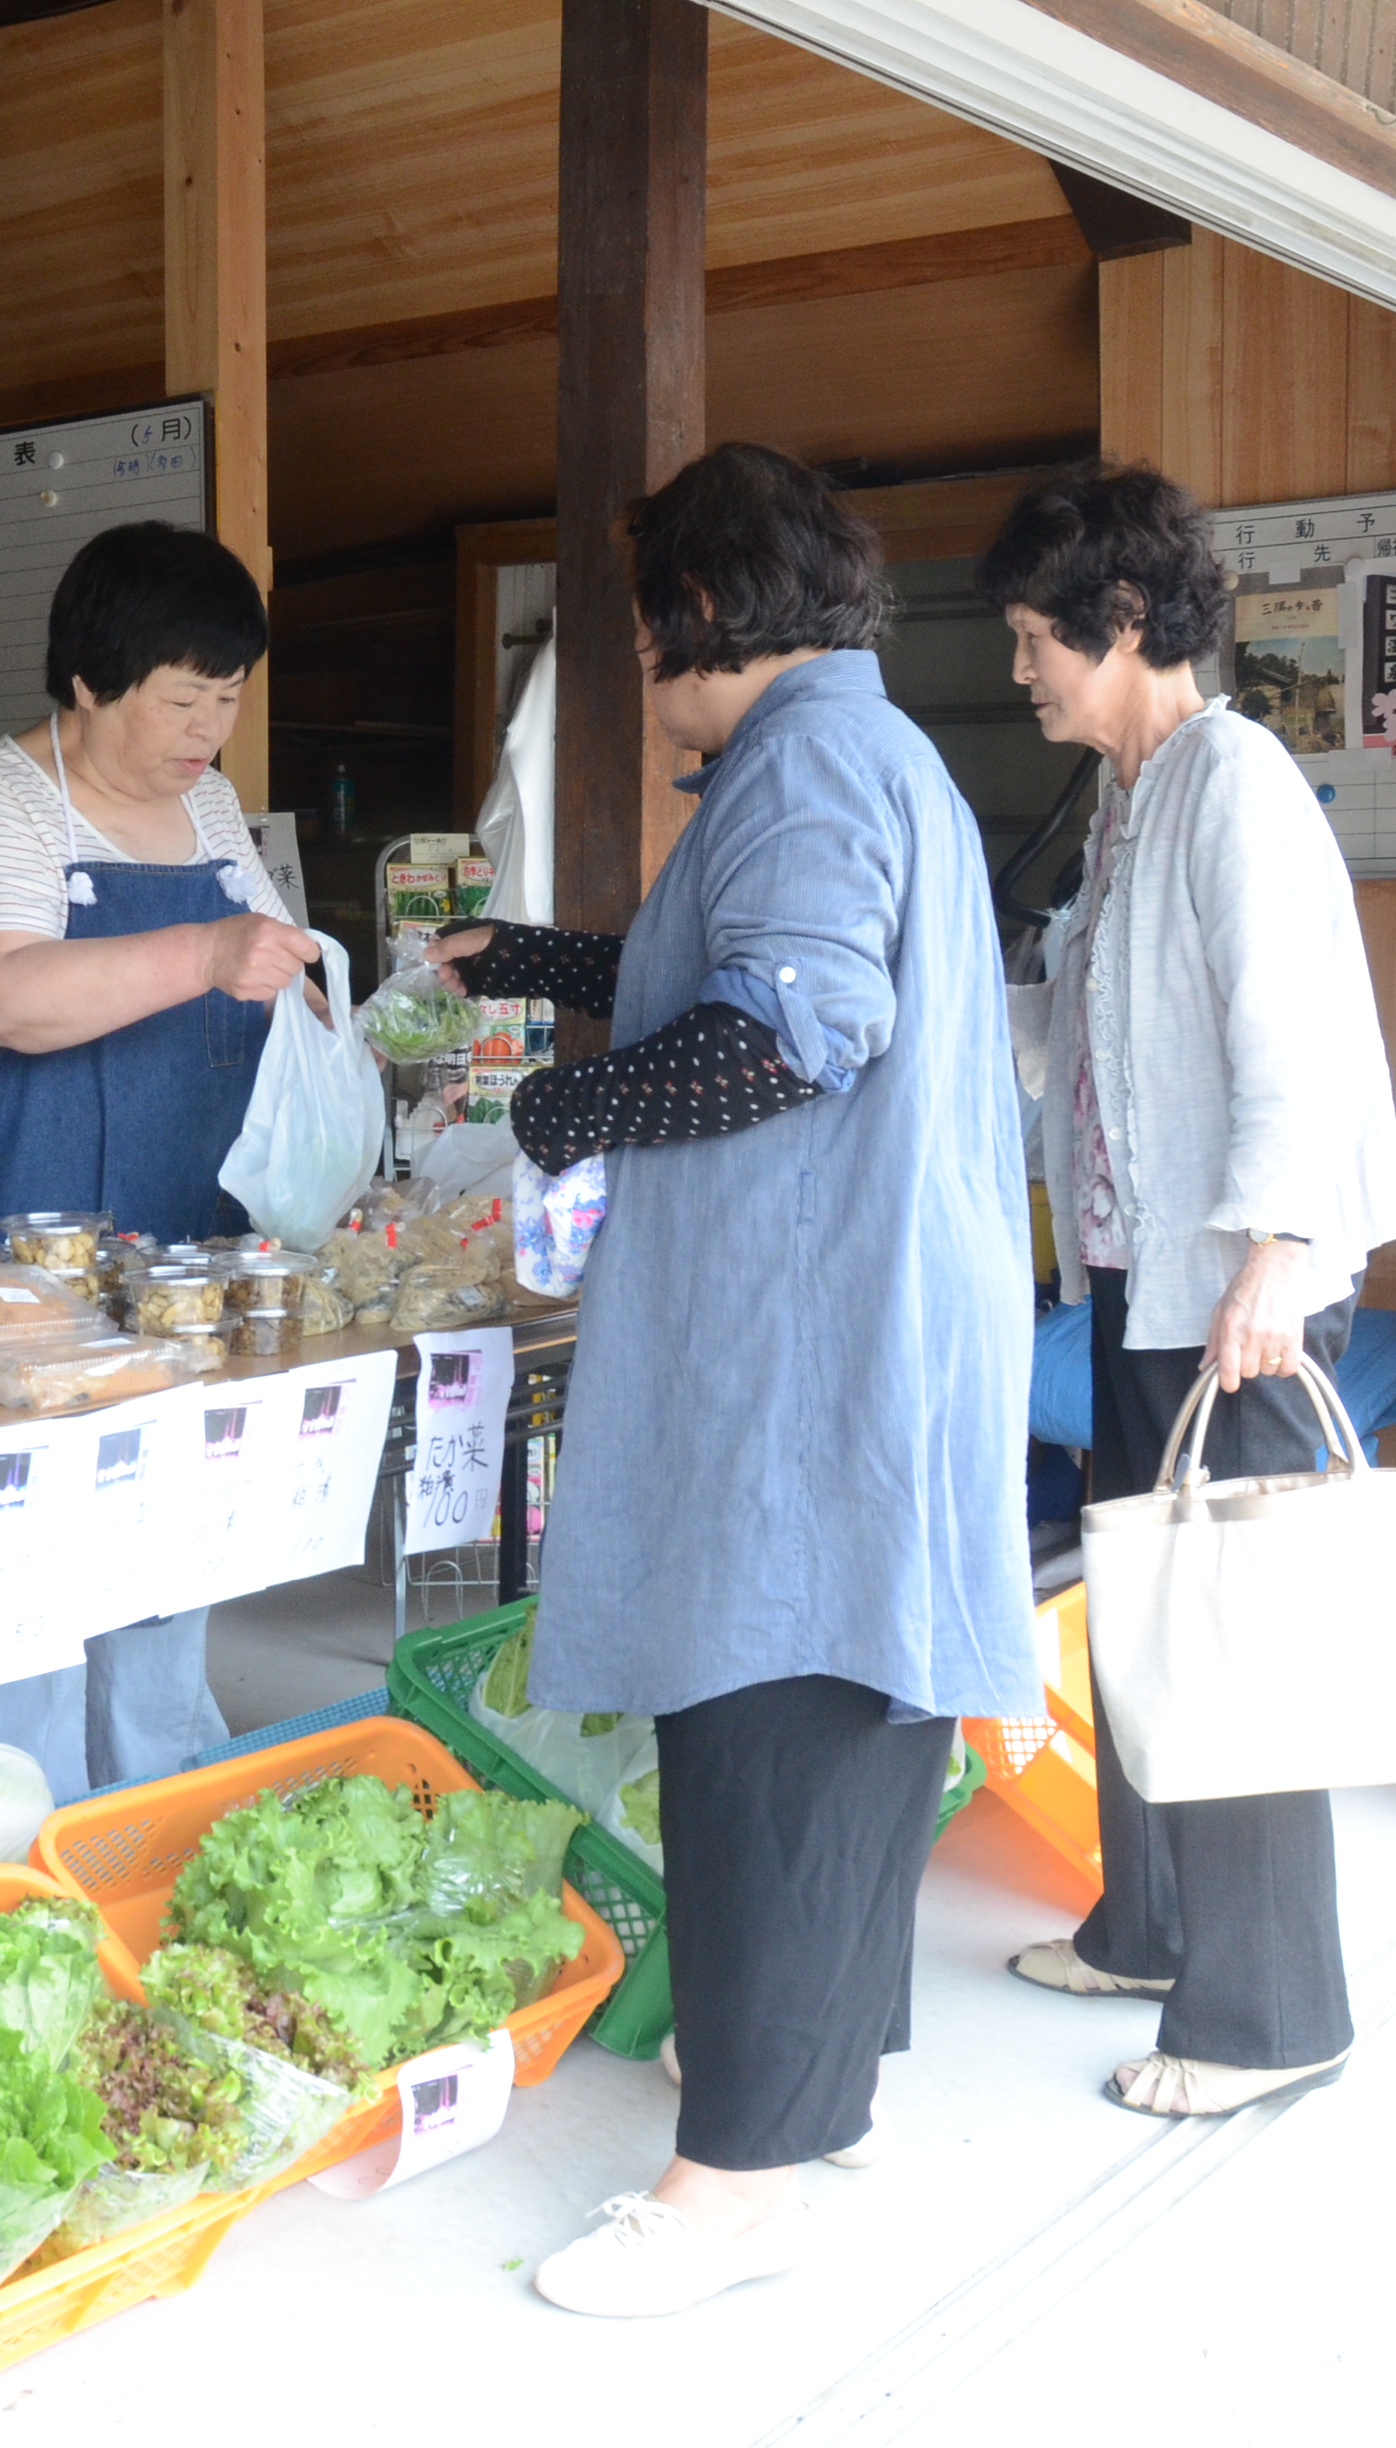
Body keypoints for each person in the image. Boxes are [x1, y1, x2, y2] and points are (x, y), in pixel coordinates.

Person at [430, 443, 1032, 2317]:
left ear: (700, 615)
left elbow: (791, 1024)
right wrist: (536, 962)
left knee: (764, 1727)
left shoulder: (810, 761)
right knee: (848, 1726)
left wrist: (567, 1096)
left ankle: (729, 2184)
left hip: (807, 1340)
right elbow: (737, 960)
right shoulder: (865, 752)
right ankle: (809, 2093)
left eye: (642, 629)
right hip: (863, 1324)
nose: (643, 665)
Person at [979, 461, 1396, 2116]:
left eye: (1037, 637)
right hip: (1138, 1275)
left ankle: (1270, 2014)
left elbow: (1291, 1037)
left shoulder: (1231, 775)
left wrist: (1277, 1256)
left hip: (1235, 1281)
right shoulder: (1131, 787)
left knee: (1233, 1645)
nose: (1019, 669)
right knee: (1148, 1610)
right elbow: (1106, 1035)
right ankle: (1151, 1923)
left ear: (1118, 621)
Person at [0, 520, 317, 1797]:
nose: (208, 730)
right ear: (86, 683)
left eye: (229, 698)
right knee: (30, 1550)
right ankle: (19, 1828)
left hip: (177, 1229)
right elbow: (8, 999)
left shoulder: (205, 804)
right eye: (182, 698)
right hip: (10, 1225)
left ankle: (158, 1803)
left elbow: (270, 956)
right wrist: (203, 954)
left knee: (169, 1533)